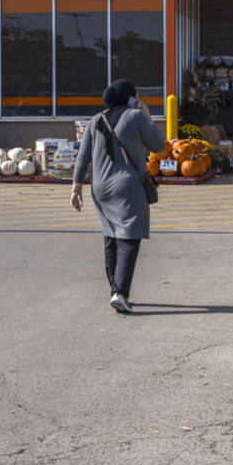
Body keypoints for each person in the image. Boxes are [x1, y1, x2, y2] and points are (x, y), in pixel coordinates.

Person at [69, 79, 165, 313]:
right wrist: (147, 116)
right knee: (129, 238)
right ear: (130, 98)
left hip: (100, 188)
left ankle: (115, 290)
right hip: (128, 186)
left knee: (111, 236)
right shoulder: (136, 116)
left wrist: (76, 189)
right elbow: (158, 146)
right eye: (136, 96)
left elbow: (83, 157)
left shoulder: (96, 120)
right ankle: (120, 293)